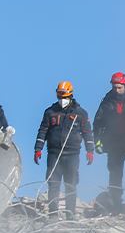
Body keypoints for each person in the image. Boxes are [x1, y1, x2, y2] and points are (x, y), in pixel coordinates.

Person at [34, 81, 94, 218]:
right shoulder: (50, 112)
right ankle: (53, 214)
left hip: (72, 155)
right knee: (53, 185)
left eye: (65, 97)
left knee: (71, 186)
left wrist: (90, 150)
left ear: (71, 96)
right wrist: (38, 149)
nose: (63, 100)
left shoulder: (80, 113)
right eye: (60, 97)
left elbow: (87, 132)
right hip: (54, 154)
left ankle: (70, 214)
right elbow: (43, 131)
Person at [92, 72, 125, 213]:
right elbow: (98, 122)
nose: (117, 90)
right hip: (114, 143)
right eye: (114, 87)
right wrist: (97, 140)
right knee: (115, 174)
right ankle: (115, 205)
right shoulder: (106, 102)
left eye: (119, 87)